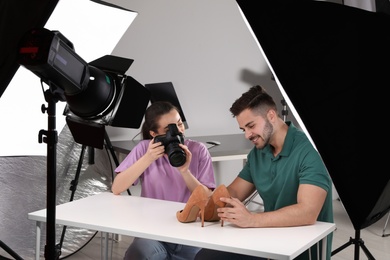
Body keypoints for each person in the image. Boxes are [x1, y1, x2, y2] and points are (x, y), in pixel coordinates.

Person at [195, 85, 334, 260]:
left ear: (271, 115)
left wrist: (252, 219)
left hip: (303, 249)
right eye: (243, 129)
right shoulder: (258, 153)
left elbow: (308, 212)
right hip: (269, 240)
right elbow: (235, 192)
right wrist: (208, 205)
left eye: (251, 126)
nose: (247, 135)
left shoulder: (310, 151)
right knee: (205, 257)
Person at [112, 101, 216, 260]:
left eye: (180, 124)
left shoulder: (198, 150)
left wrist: (184, 171)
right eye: (169, 130)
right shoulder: (144, 149)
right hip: (153, 232)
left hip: (190, 232)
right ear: (154, 134)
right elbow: (117, 188)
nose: (178, 132)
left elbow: (207, 199)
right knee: (138, 253)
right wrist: (148, 158)